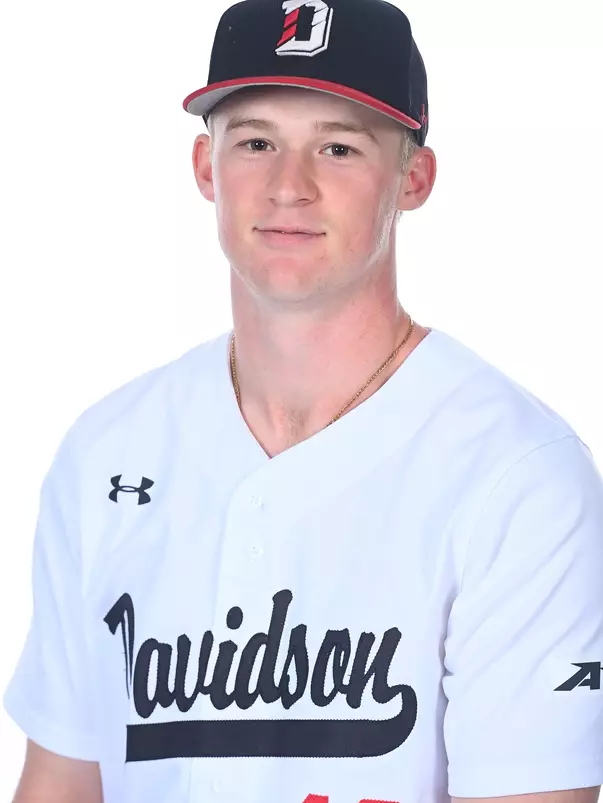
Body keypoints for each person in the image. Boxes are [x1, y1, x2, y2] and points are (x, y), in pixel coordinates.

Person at [4, 0, 603, 801]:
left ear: (412, 178)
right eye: (255, 142)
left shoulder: (517, 474)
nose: (290, 185)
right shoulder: (107, 450)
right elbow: (61, 782)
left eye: (338, 146)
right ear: (205, 168)